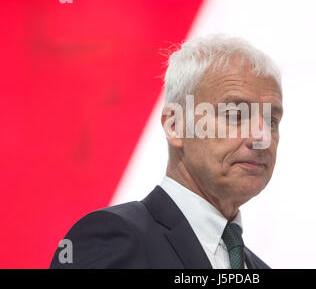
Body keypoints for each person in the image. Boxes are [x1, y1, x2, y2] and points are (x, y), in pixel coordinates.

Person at [50, 34, 283, 269]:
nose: (261, 138)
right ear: (175, 125)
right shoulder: (113, 239)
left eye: (272, 121)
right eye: (235, 115)